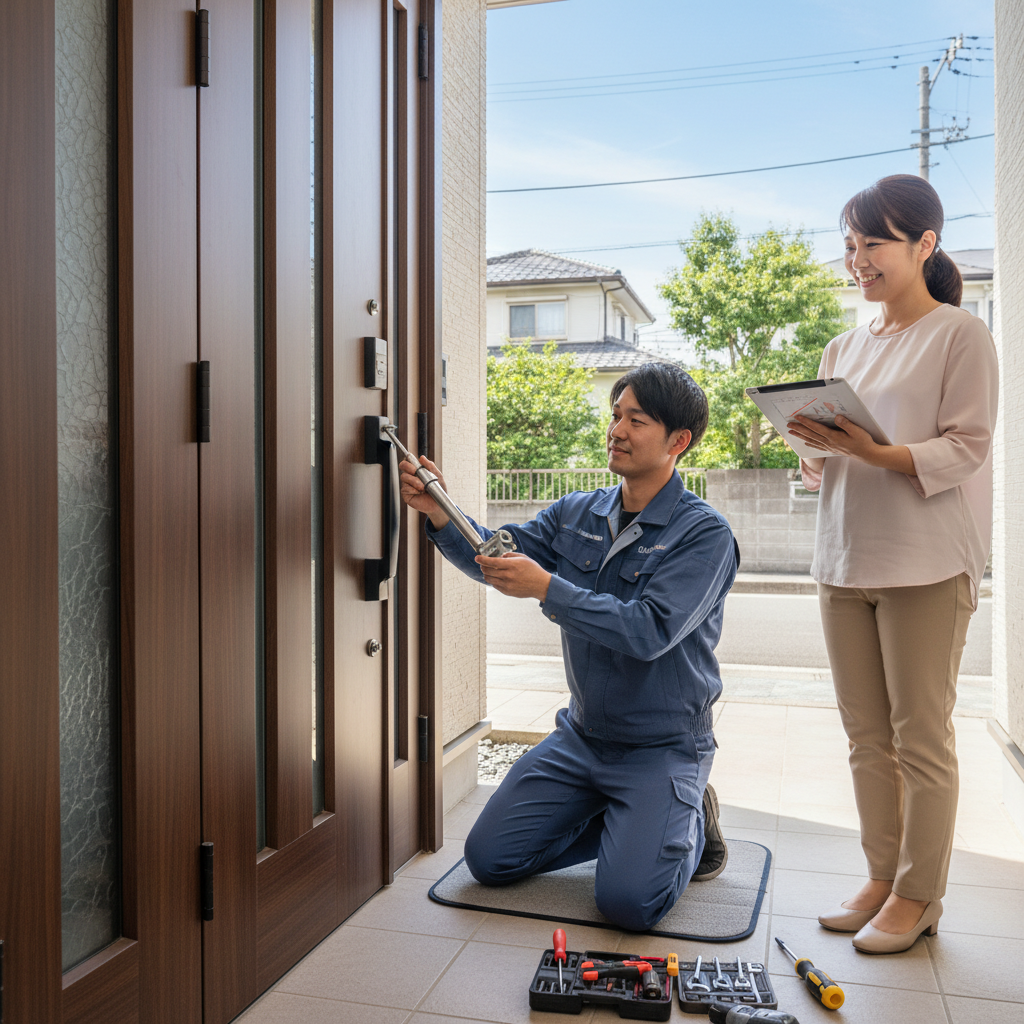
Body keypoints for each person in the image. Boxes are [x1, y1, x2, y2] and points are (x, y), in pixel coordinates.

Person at [399, 362, 739, 931]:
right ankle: (636, 823)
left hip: (664, 748)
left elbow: (650, 631)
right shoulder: (577, 511)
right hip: (581, 740)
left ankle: (688, 820)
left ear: (678, 441)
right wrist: (438, 510)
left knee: (629, 905)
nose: (617, 430)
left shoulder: (704, 534)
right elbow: (497, 557)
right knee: (489, 860)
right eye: (615, 416)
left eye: (636, 420)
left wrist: (548, 587)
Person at [787, 174, 998, 954]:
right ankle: (881, 875)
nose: (859, 259)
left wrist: (876, 451)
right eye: (850, 244)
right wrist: (813, 449)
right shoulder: (843, 346)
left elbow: (969, 446)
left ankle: (919, 894)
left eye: (873, 241)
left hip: (927, 564)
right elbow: (827, 465)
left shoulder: (959, 335)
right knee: (865, 736)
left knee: (921, 737)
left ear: (924, 245)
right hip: (843, 559)